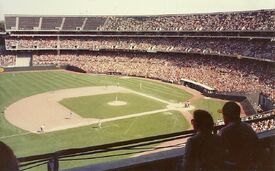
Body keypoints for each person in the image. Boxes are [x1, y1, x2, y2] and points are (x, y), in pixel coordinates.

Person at [218, 101, 259, 170]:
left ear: (227, 116)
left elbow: (220, 154)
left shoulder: (224, 131)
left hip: (235, 166)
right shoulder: (248, 127)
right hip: (249, 165)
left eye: (224, 115)